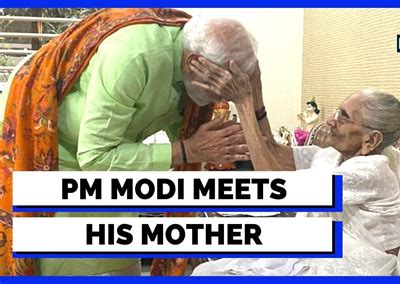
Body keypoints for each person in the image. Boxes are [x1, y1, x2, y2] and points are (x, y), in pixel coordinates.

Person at [0, 8, 259, 276]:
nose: (225, 96)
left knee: (121, 258)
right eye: (223, 85)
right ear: (195, 63)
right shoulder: (135, 56)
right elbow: (95, 157)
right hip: (55, 146)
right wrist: (187, 150)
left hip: (111, 152)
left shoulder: (189, 66)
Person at [185, 58, 400, 275]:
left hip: (356, 268)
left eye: (343, 117)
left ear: (370, 140)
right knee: (207, 270)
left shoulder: (372, 171)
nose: (330, 120)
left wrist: (242, 103)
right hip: (324, 253)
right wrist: (256, 85)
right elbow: (273, 151)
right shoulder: (331, 157)